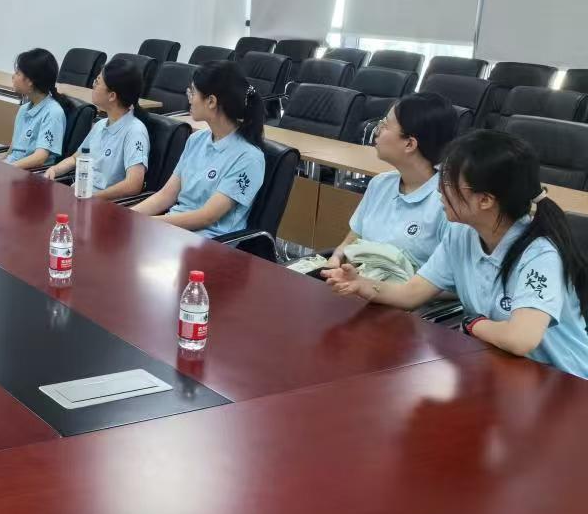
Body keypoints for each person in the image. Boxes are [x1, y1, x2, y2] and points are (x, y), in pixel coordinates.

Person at [325, 130, 588, 377]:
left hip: (565, 383)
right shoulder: (461, 234)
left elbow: (520, 339)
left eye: (449, 182)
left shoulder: (540, 255)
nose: (439, 190)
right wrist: (363, 285)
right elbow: (410, 294)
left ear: (485, 200)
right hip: (505, 372)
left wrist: (473, 324)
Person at [291, 92, 458, 281]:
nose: (376, 131)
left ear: (409, 144)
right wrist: (336, 259)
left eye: (385, 125)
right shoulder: (380, 184)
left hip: (401, 297)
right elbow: (350, 242)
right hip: (354, 286)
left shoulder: (448, 204)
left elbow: (453, 284)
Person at [130, 61, 265, 237]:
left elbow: (206, 217)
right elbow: (166, 195)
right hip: (174, 230)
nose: (189, 99)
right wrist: (128, 216)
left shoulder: (249, 158)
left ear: (211, 101)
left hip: (209, 241)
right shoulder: (196, 140)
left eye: (192, 92)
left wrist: (147, 223)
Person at [44, 55, 149, 200]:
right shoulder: (100, 124)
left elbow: (133, 184)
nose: (93, 85)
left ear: (112, 96)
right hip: (81, 196)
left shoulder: (135, 131)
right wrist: (54, 170)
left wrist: (93, 197)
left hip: (103, 203)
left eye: (97, 82)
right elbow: (75, 159)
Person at [4, 48, 67, 169]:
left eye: (18, 73)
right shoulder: (23, 109)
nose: (13, 76)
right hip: (14, 168)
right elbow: (13, 150)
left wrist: (8, 168)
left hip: (31, 173)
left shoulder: (53, 113)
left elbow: (39, 158)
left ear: (30, 81)